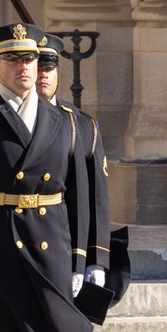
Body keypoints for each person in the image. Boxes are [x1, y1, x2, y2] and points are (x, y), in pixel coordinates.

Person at [0, 23, 92, 332]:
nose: (22, 66)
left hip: (52, 246)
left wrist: (81, 260)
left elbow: (79, 196)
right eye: (12, 59)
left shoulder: (67, 122)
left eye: (28, 58)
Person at [36, 35, 110, 294]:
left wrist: (96, 260)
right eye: (37, 67)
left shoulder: (82, 125)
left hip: (66, 243)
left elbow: (95, 197)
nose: (42, 75)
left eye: (49, 68)